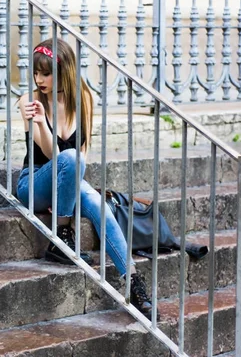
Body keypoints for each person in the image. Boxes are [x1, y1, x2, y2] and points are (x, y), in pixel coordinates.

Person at [16, 38, 155, 317]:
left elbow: (83, 155)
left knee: (97, 203)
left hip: (66, 183)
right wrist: (41, 122)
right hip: (34, 184)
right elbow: (51, 154)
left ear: (64, 70)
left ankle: (132, 281)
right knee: (70, 159)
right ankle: (62, 233)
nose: (38, 79)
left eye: (46, 73)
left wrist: (76, 183)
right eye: (36, 72)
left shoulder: (85, 99)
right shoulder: (29, 101)